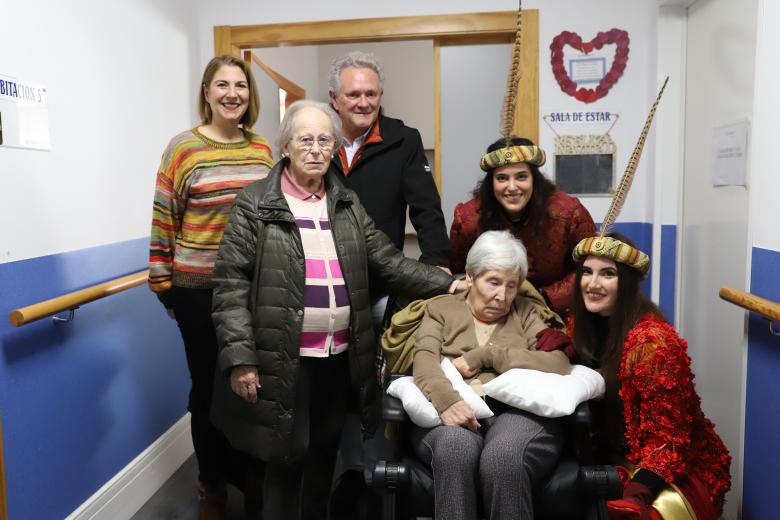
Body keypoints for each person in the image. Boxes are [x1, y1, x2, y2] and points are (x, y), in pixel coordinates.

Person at [208, 100, 464, 520]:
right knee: (285, 462)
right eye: (304, 139)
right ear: (286, 147)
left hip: (337, 358)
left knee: (323, 459)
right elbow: (230, 287)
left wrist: (449, 282)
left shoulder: (345, 204)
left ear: (334, 149)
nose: (314, 149)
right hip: (280, 361)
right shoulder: (255, 205)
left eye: (324, 140)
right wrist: (240, 359)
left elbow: (388, 261)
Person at [147, 55, 273, 519]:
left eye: (240, 85)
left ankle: (251, 480)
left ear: (249, 94)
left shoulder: (262, 151)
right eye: (222, 85)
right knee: (206, 388)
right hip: (197, 288)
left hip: (253, 288)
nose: (232, 94)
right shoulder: (183, 148)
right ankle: (212, 485)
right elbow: (164, 218)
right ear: (206, 92)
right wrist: (164, 286)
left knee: (251, 386)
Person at [412, 230, 572, 520]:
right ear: (471, 276)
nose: (502, 296)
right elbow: (424, 360)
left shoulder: (524, 312)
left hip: (517, 414)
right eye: (493, 282)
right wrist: (447, 402)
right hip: (456, 408)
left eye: (512, 286)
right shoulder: (441, 309)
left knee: (504, 457)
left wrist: (489, 355)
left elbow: (559, 363)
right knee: (454, 450)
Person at [570, 232, 731, 520]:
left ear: (627, 283)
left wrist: (637, 494)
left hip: (676, 471)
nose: (593, 284)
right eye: (586, 272)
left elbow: (670, 439)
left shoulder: (652, 344)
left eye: (608, 274)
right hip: (619, 455)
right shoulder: (582, 325)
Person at [328, 51, 451, 322]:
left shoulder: (404, 140)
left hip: (381, 283)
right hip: (325, 282)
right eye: (353, 94)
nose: (364, 103)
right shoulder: (318, 141)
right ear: (334, 99)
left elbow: (426, 208)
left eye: (371, 94)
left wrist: (435, 266)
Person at [450, 136, 596, 315]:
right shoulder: (468, 218)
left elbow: (590, 268)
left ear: (534, 179)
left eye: (521, 176)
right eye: (502, 178)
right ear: (491, 183)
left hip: (556, 310)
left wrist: (545, 298)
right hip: (490, 309)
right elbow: (459, 272)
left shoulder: (569, 213)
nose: (512, 187)